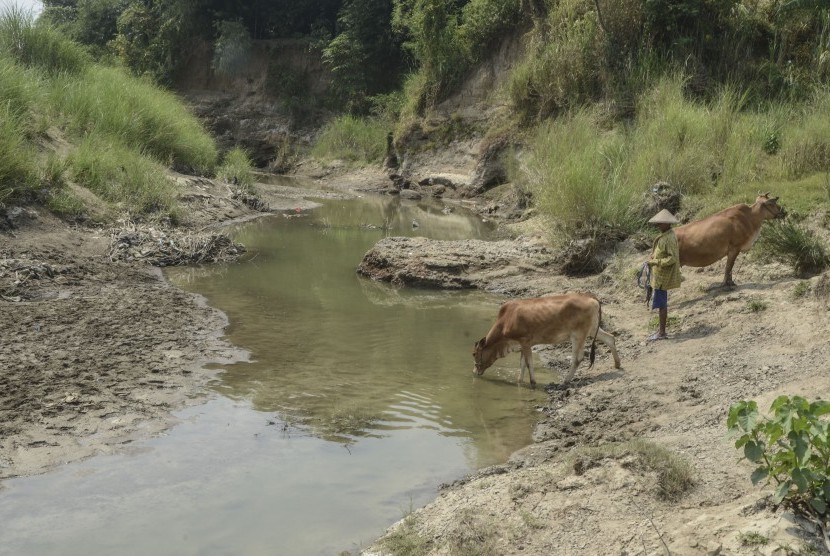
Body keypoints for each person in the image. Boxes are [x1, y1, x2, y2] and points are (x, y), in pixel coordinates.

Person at [647, 209, 681, 341]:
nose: (658, 225)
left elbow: (672, 258)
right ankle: (661, 331)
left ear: (667, 224)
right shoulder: (665, 236)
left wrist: (655, 261)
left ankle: (662, 333)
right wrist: (654, 256)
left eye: (661, 223)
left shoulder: (669, 238)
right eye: (658, 223)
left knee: (662, 304)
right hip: (660, 275)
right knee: (661, 303)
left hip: (663, 277)